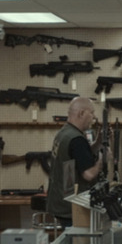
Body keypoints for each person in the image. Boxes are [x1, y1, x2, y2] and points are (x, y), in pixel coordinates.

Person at [46, 97, 104, 227]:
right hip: (72, 208)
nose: (94, 117)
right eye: (92, 112)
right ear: (82, 113)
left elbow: (79, 157)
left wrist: (98, 142)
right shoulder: (77, 140)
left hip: (62, 202)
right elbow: (88, 174)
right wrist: (102, 160)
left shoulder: (64, 133)